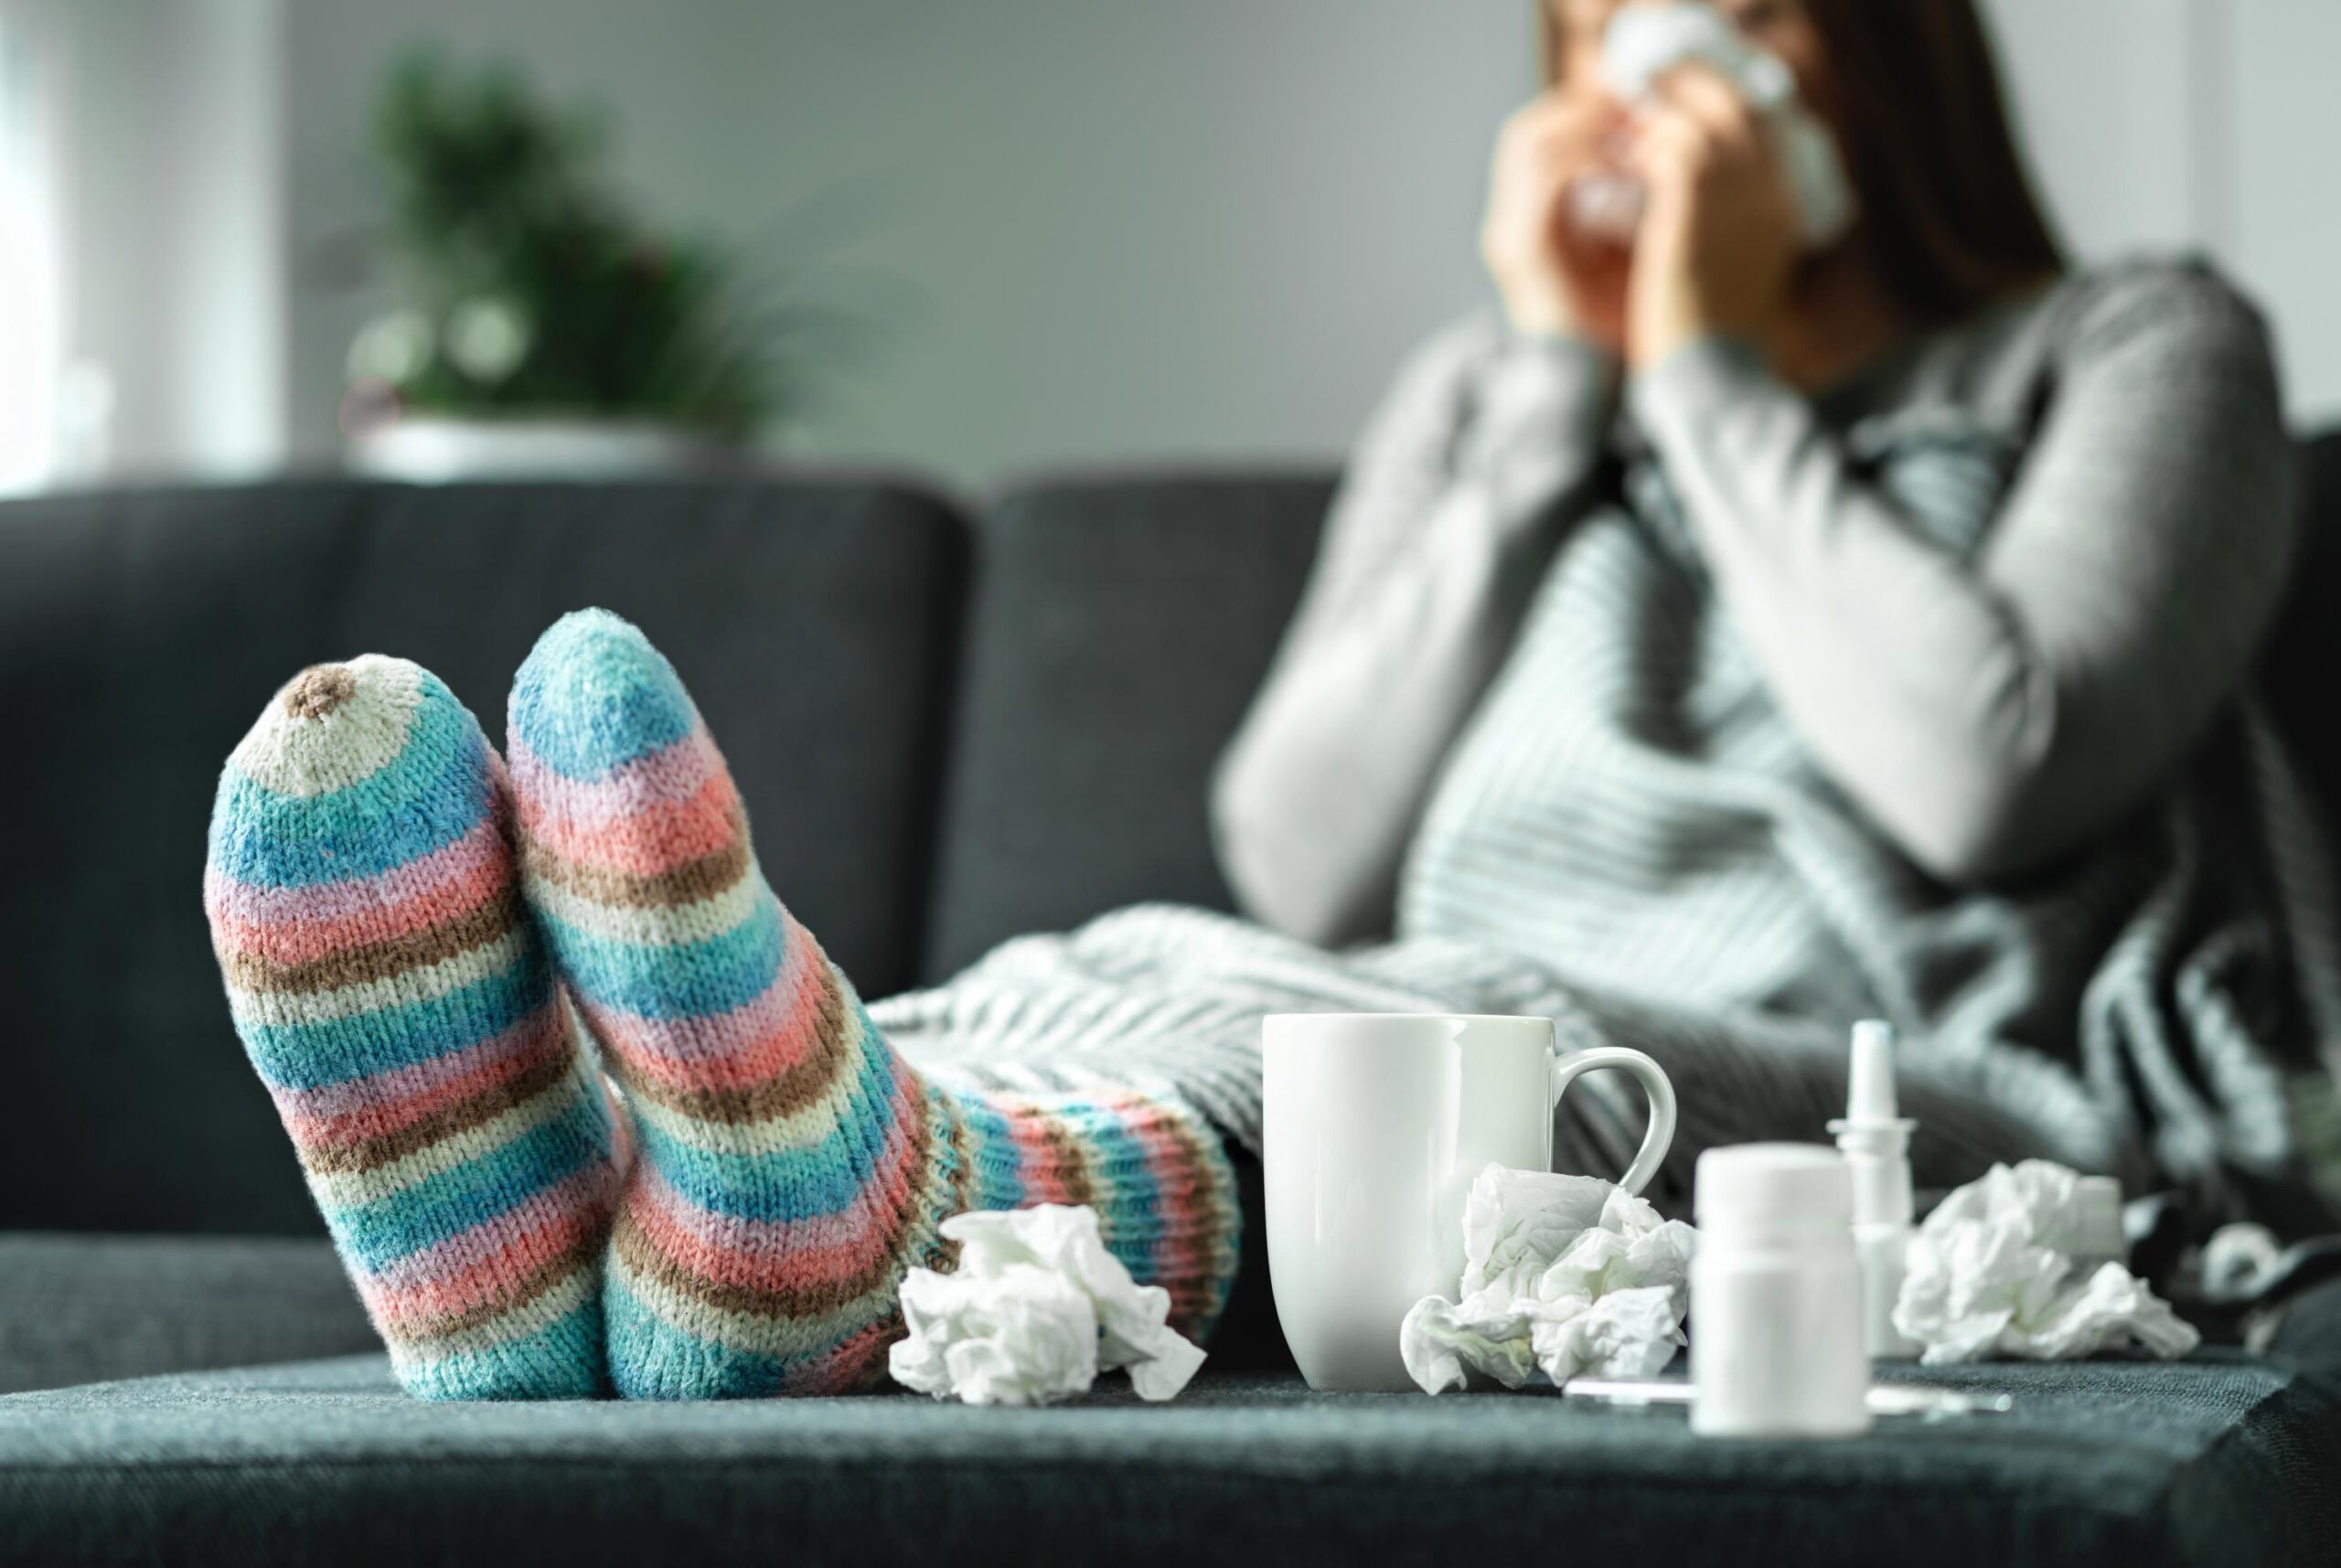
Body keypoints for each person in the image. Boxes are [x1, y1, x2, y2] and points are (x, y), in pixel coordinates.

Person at [202, 0, 2334, 1403]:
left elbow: (1984, 773)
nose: (1661, 87)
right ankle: (579, 1251)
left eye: (1738, 24)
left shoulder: (2136, 346)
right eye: (1608, 33)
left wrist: (1698, 373)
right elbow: (1291, 845)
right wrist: (1540, 409)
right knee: (1100, 959)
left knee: (1435, 1052)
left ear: (1873, 61)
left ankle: (857, 1234)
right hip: (1425, 988)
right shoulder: (1492, 405)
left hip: (1900, 1092)